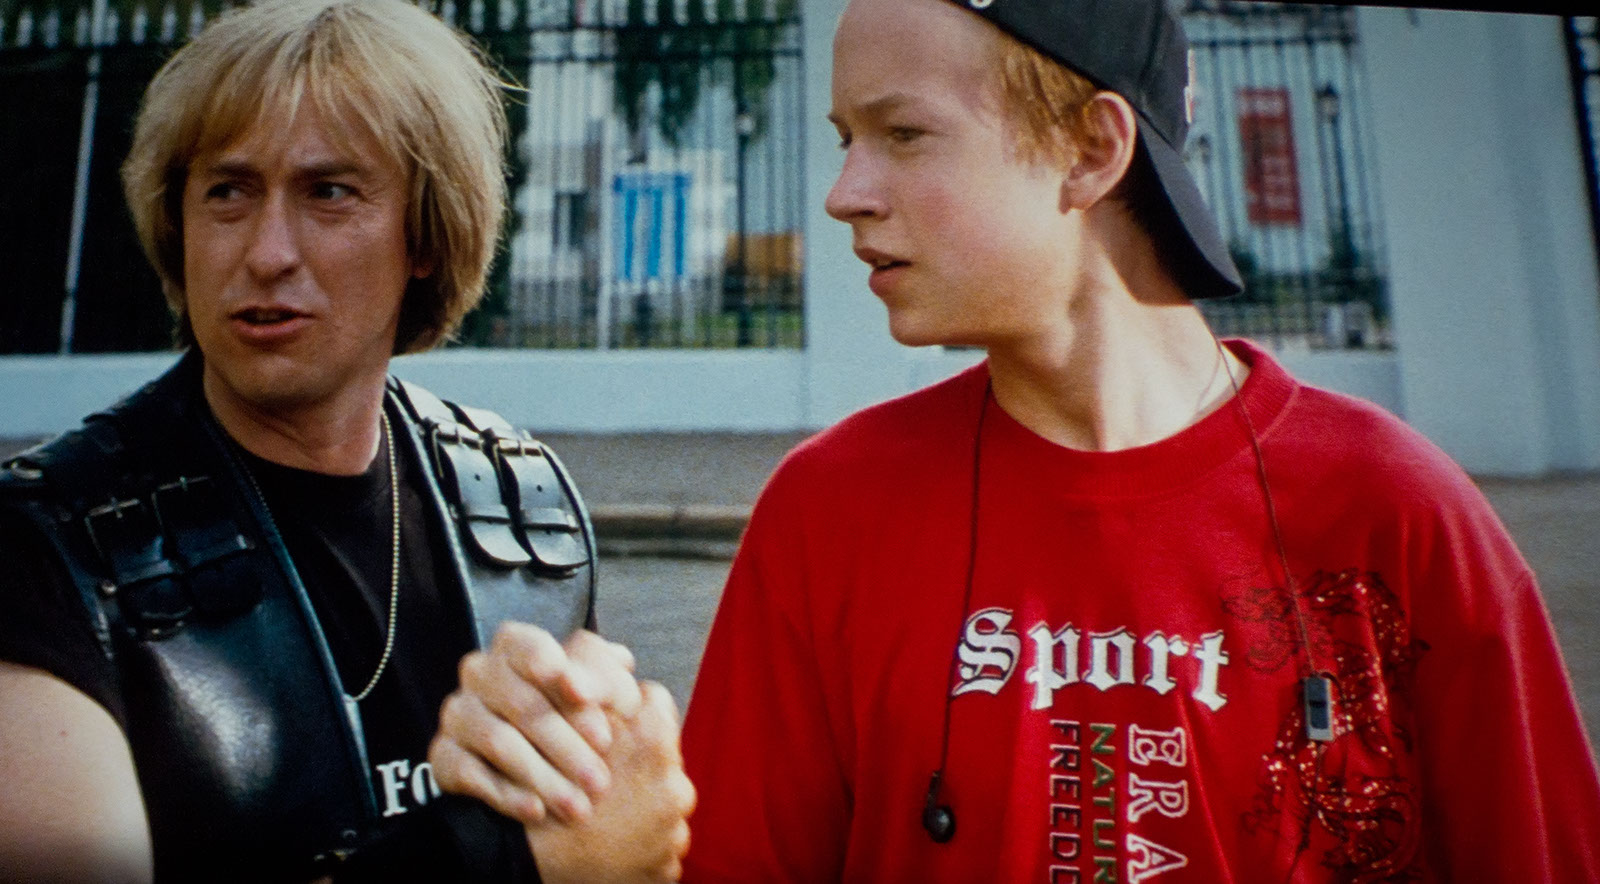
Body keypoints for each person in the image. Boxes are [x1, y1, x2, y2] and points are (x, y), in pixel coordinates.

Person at [428, 0, 1600, 879]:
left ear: (1092, 149)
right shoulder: (830, 511)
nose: (844, 191)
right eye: (844, 138)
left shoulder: (1395, 511)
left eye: (902, 133)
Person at [0, 1, 690, 881]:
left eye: (328, 192)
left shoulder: (524, 515)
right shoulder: (43, 551)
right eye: (227, 191)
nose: (267, 253)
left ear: (424, 237)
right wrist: (508, 862)